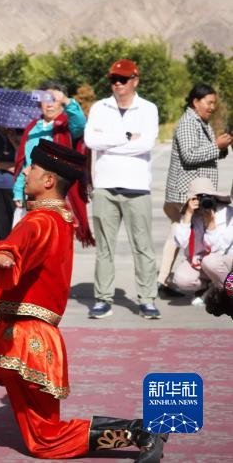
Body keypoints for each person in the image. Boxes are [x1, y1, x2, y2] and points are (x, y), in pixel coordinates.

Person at [0, 140, 167, 462]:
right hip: (40, 346)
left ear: (48, 180)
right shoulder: (62, 218)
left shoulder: (41, 220)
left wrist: (6, 254)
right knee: (46, 440)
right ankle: (139, 431)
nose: (25, 173)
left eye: (31, 168)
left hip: (19, 339)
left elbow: (24, 241)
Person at [83, 60, 161, 320]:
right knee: (104, 248)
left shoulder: (147, 109)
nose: (117, 83)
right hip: (105, 187)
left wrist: (109, 143)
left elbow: (145, 144)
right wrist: (126, 137)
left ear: (135, 80)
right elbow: (91, 141)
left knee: (143, 246)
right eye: (113, 79)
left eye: (123, 79)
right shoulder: (99, 107)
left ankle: (147, 299)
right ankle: (103, 299)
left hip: (137, 188)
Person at [159, 84, 232, 297]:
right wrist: (216, 145)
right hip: (185, 193)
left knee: (186, 235)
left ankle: (182, 278)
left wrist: (222, 147)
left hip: (196, 191)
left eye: (214, 103)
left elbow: (204, 153)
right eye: (209, 102)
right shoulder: (188, 123)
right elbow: (190, 155)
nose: (212, 107)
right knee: (179, 234)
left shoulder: (201, 122)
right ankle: (166, 280)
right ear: (196, 102)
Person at [12, 83, 91, 244]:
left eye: (54, 100)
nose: (49, 104)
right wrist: (19, 190)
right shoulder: (32, 127)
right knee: (25, 242)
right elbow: (25, 163)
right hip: (32, 193)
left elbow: (80, 123)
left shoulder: (67, 126)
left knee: (54, 243)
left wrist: (67, 101)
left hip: (56, 195)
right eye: (46, 99)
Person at [169, 177, 233, 303]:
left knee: (209, 261)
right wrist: (188, 215)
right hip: (199, 260)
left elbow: (219, 249)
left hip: (223, 260)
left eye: (208, 197)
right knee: (181, 279)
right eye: (199, 198)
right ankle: (211, 287)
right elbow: (180, 242)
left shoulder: (227, 213)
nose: (204, 202)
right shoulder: (191, 214)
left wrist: (211, 224)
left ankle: (228, 290)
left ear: (214, 198)